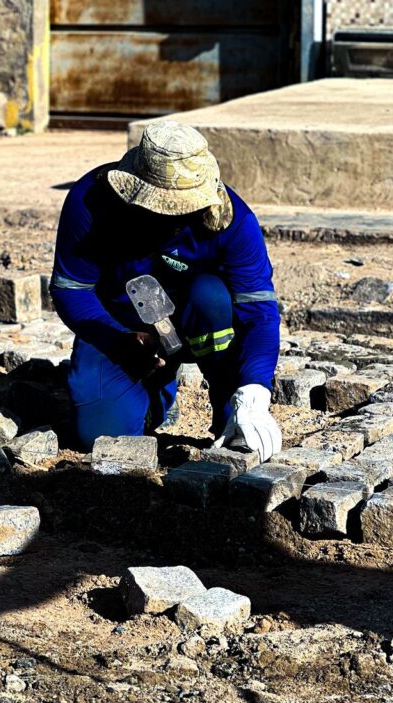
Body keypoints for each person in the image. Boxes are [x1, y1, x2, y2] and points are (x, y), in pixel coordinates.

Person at [50, 120, 282, 460]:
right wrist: (116, 339)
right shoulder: (92, 202)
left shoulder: (234, 222)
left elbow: (259, 313)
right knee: (99, 437)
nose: (175, 219)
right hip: (124, 327)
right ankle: (154, 394)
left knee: (209, 295)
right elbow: (71, 289)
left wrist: (254, 391)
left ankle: (228, 407)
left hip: (199, 321)